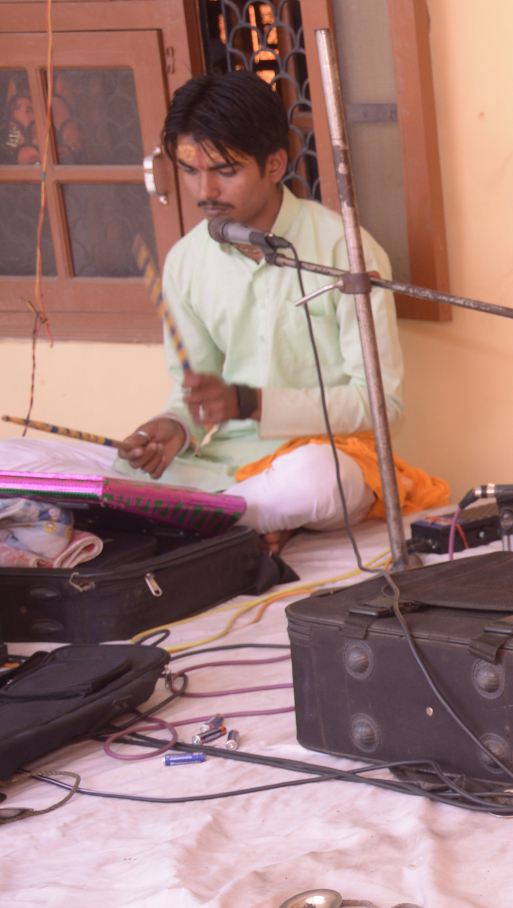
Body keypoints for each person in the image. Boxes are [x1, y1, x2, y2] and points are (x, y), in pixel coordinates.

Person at [0, 71, 445, 551]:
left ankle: (200, 519)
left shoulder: (346, 252)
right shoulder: (186, 261)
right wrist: (174, 429)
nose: (204, 191)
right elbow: (193, 394)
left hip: (323, 457)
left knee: (317, 479)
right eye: (190, 171)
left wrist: (249, 402)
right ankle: (234, 519)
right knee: (17, 456)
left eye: (225, 171)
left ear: (274, 164)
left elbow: (380, 406)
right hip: (220, 468)